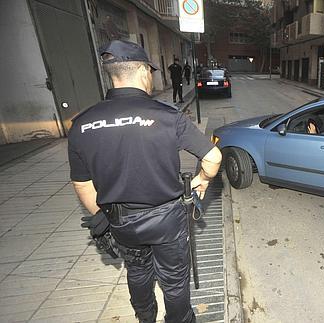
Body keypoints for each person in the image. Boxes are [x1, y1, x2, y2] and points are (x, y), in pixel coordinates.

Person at [68, 40, 222, 323]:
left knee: (137, 272)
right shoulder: (166, 117)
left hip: (122, 222)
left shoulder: (82, 124)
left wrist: (98, 215)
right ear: (142, 72)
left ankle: (145, 317)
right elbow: (213, 157)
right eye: (150, 72)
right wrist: (201, 180)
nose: (151, 77)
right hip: (167, 219)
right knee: (174, 281)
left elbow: (82, 183)